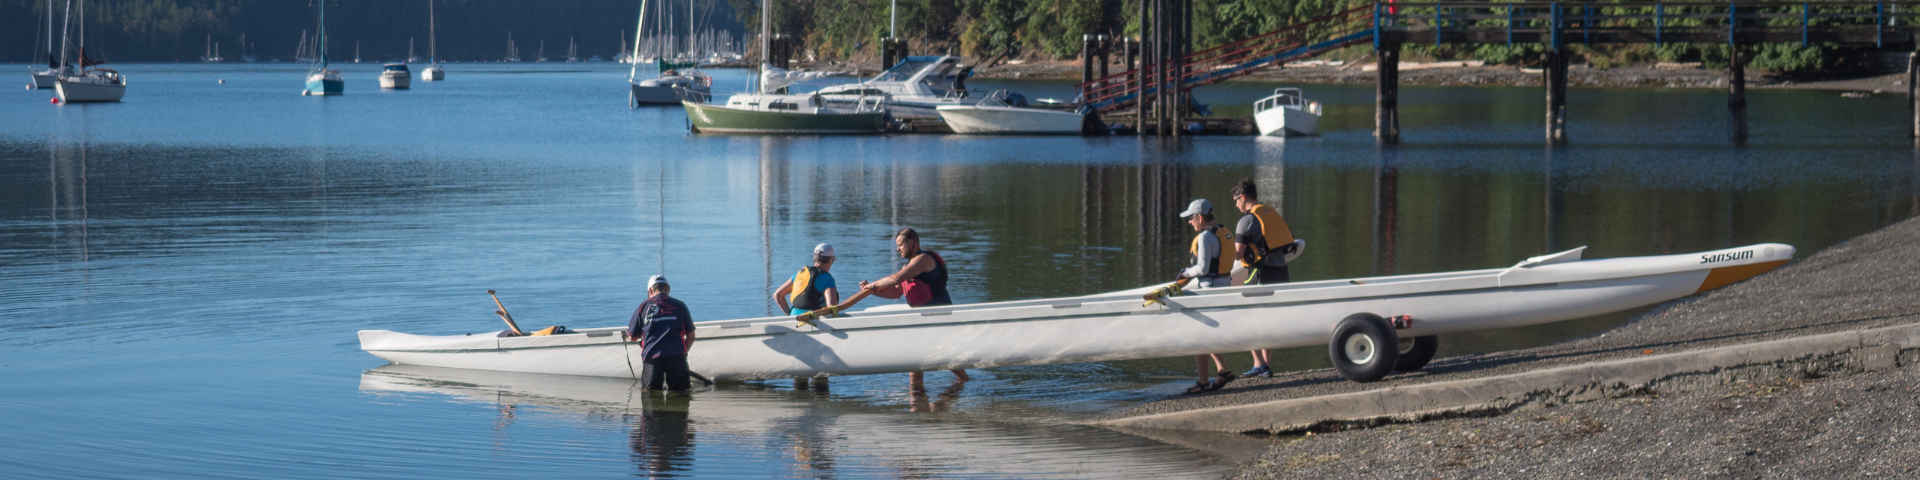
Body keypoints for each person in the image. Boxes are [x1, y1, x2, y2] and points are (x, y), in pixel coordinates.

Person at [860, 228, 970, 383]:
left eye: (900, 245)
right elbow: (897, 292)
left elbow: (895, 279)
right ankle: (923, 399)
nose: (897, 249)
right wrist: (873, 291)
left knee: (944, 360)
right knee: (917, 361)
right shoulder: (909, 266)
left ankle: (954, 389)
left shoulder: (923, 259)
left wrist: (873, 284)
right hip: (924, 321)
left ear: (911, 243)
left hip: (940, 318)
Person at [1231, 178, 1296, 378]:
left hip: (1262, 273)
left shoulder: (1247, 220)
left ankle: (1259, 364)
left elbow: (1237, 255)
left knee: (1246, 317)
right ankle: (1266, 364)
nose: (1235, 205)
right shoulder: (1270, 213)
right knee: (1270, 318)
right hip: (1282, 272)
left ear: (1242, 197)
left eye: (1236, 200)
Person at [1176, 198, 1237, 394]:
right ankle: (1223, 370)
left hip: (1209, 292)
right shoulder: (1224, 232)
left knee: (1198, 335)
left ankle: (1203, 381)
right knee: (1208, 333)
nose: (1189, 222)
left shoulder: (1204, 238)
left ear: (1200, 218)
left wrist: (1185, 273)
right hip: (1224, 288)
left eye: (1191, 218)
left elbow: (1202, 269)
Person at [626, 275, 696, 392]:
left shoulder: (643, 307)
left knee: (651, 397)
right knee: (681, 395)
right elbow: (691, 336)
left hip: (652, 359)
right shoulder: (680, 305)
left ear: (650, 290)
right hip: (677, 356)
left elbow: (632, 337)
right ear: (668, 289)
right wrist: (683, 353)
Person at [774, 243, 841, 316]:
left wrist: (789, 315)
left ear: (814, 259)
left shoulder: (799, 274)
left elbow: (777, 295)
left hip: (794, 319)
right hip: (815, 321)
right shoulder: (827, 279)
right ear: (830, 260)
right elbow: (831, 305)